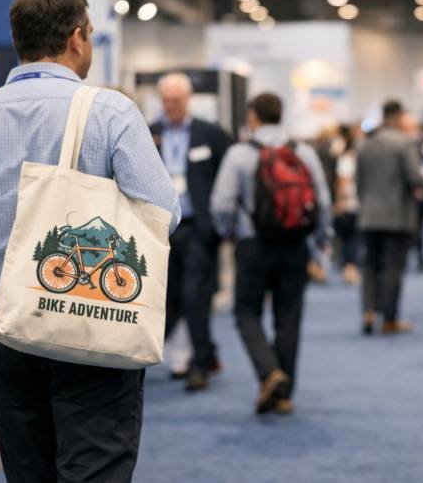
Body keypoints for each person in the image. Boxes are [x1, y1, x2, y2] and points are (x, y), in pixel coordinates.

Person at [0, 0, 180, 482]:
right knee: (96, 471)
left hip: (5, 328)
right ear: (78, 38)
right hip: (92, 317)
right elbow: (163, 212)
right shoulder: (110, 112)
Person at [211, 93, 332, 414]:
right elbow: (322, 201)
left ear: (253, 117)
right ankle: (284, 394)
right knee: (288, 316)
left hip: (254, 244)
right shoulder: (303, 151)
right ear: (281, 115)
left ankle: (269, 372)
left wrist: (230, 234)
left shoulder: (239, 153)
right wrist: (321, 239)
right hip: (295, 244)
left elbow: (221, 203)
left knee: (246, 311)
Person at [150, 72, 233, 392]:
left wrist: (222, 223)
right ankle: (205, 352)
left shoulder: (210, 134)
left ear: (188, 100)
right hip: (161, 229)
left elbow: (226, 176)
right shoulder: (149, 133)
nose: (171, 105)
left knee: (196, 295)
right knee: (169, 297)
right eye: (166, 100)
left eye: (176, 100)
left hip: (198, 227)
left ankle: (199, 363)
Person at [357, 100, 423, 335]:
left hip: (368, 215)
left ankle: (367, 312)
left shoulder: (365, 143)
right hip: (397, 216)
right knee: (391, 268)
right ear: (398, 116)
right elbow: (415, 177)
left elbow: (359, 181)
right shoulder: (404, 142)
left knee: (369, 266)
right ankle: (389, 319)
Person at [334, 124, 362, 285]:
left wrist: (339, 201)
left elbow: (342, 182)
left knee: (348, 238)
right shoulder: (354, 157)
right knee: (351, 237)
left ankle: (349, 268)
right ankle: (349, 268)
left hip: (349, 202)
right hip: (354, 202)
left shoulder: (345, 159)